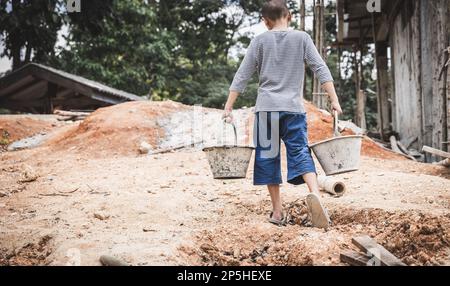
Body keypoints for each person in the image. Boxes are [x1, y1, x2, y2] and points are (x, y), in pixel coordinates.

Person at [223, 0, 342, 229]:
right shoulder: (302, 38)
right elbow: (320, 68)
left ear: (265, 21)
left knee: (268, 156)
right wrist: (334, 100)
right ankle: (315, 194)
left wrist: (228, 107)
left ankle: (277, 212)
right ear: (288, 15)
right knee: (299, 151)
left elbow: (242, 76)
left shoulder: (259, 41)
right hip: (293, 109)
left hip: (267, 110)